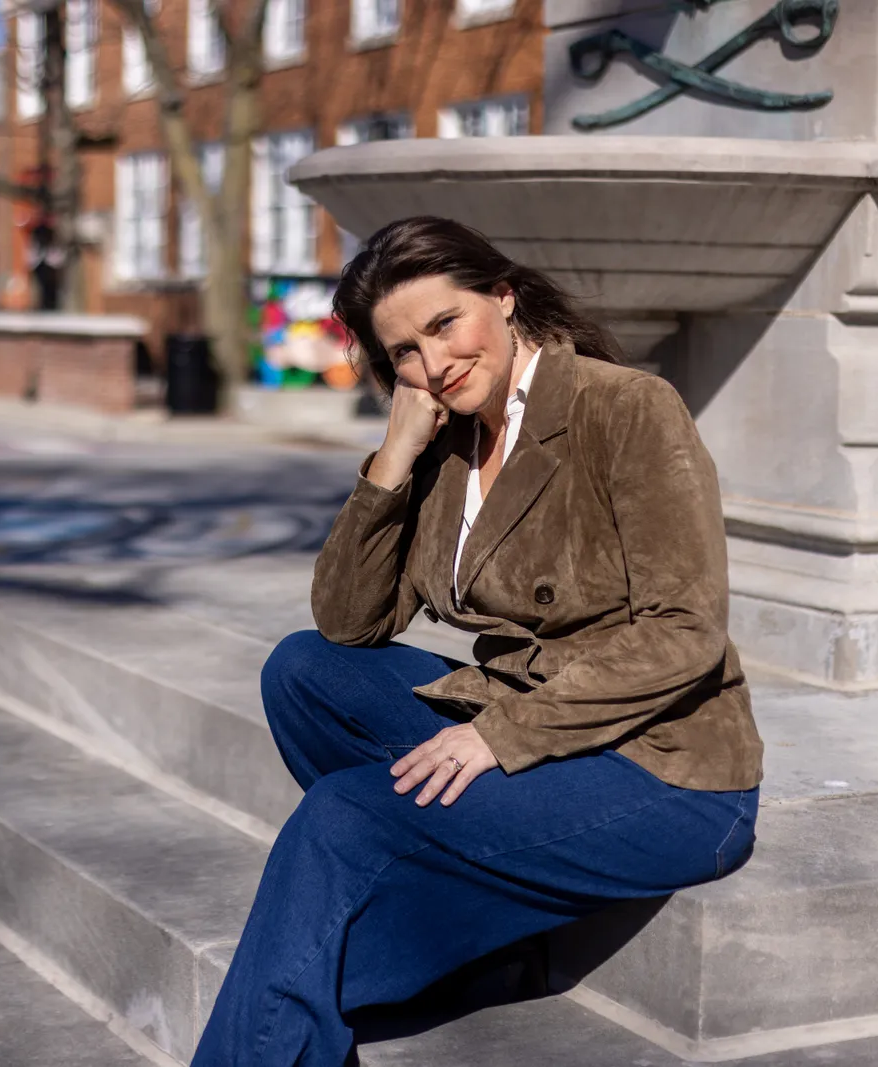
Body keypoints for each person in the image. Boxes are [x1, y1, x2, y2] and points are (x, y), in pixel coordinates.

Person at [191, 216, 764, 1067]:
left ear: (502, 296)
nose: (433, 363)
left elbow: (685, 632)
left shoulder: (624, 407)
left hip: (666, 770)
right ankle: (456, 905)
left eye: (444, 324)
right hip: (534, 727)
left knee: (342, 817)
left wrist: (500, 735)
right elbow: (349, 621)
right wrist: (394, 457)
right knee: (303, 672)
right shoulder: (448, 440)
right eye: (404, 352)